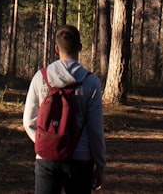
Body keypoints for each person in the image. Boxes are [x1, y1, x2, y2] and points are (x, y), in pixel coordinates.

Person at [23, 25, 106, 193]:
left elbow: (28, 121)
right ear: (80, 47)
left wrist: (47, 142)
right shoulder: (91, 82)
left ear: (56, 48)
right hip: (81, 159)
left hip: (46, 158)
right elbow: (95, 130)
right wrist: (100, 164)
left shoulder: (41, 77)